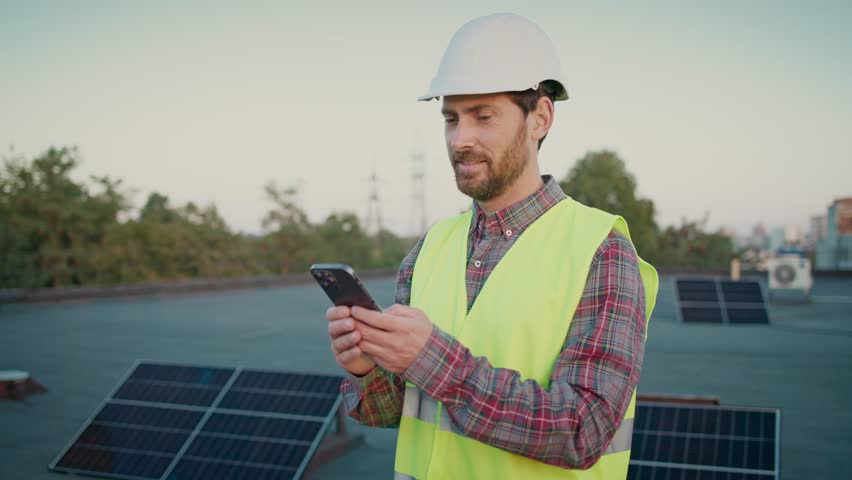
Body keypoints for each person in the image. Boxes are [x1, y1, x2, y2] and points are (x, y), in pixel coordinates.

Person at [326, 13, 658, 480]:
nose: (460, 139)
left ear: (540, 117)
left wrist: (435, 361)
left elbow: (583, 429)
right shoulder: (429, 249)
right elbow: (392, 411)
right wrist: (367, 369)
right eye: (451, 119)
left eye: (483, 116)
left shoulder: (601, 251)